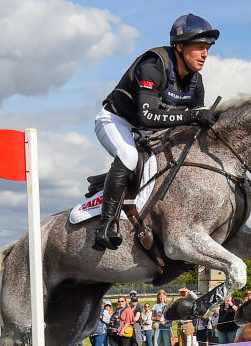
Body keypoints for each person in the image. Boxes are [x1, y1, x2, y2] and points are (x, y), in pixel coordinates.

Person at [92, 14, 220, 251]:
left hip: (150, 131)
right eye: (199, 48)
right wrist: (193, 115)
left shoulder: (195, 81)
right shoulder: (153, 66)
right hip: (117, 121)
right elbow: (147, 116)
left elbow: (191, 127)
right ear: (180, 47)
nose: (205, 54)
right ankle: (105, 225)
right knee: (129, 157)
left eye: (207, 49)